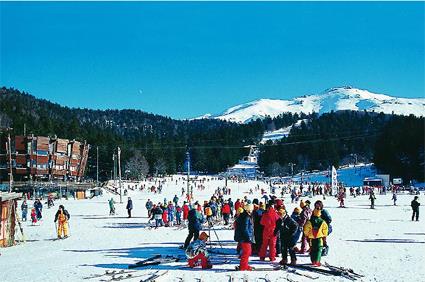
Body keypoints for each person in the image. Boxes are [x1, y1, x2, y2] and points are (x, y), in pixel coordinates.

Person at [234, 204, 254, 271]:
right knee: (247, 252)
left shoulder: (243, 215)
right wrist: (248, 237)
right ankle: (243, 266)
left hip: (243, 237)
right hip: (245, 238)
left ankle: (244, 265)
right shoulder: (246, 217)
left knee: (247, 252)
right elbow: (245, 228)